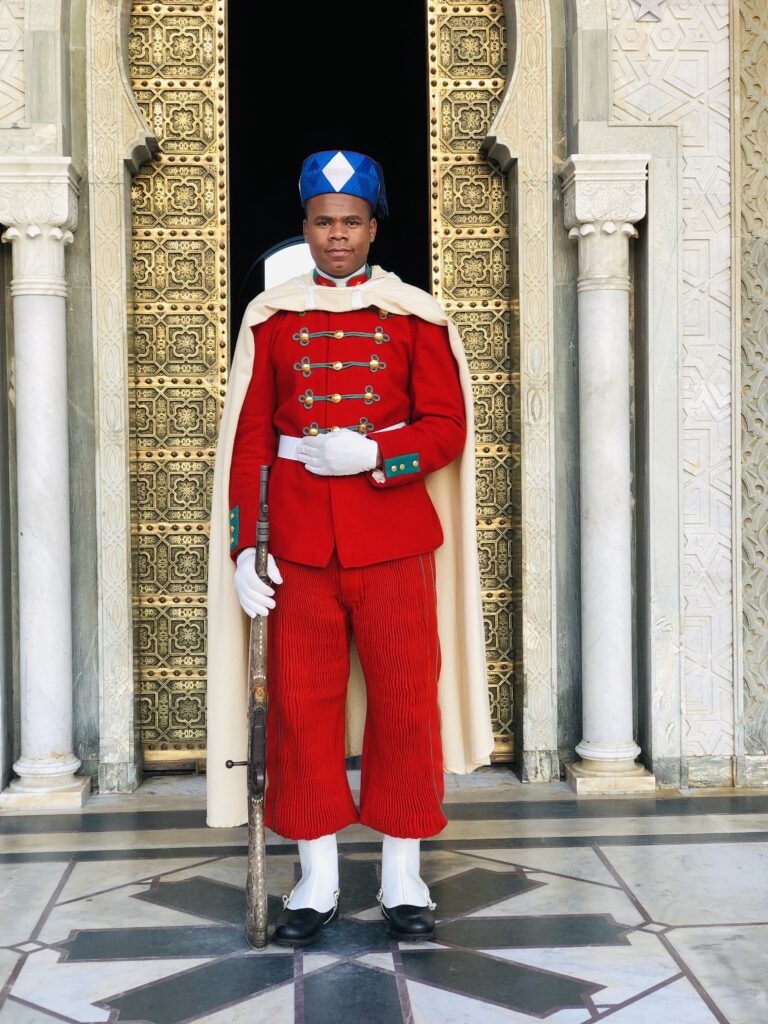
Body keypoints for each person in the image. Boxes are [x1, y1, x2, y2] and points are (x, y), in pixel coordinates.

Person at [206, 150, 493, 947]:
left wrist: (377, 456)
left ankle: (404, 873)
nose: (338, 237)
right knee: (302, 711)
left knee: (406, 707)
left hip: (394, 539)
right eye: (323, 222)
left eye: (352, 222)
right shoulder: (275, 317)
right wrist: (241, 549)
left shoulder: (415, 316)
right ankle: (317, 876)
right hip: (295, 545)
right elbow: (249, 442)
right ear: (306, 228)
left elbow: (446, 428)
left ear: (373, 227)